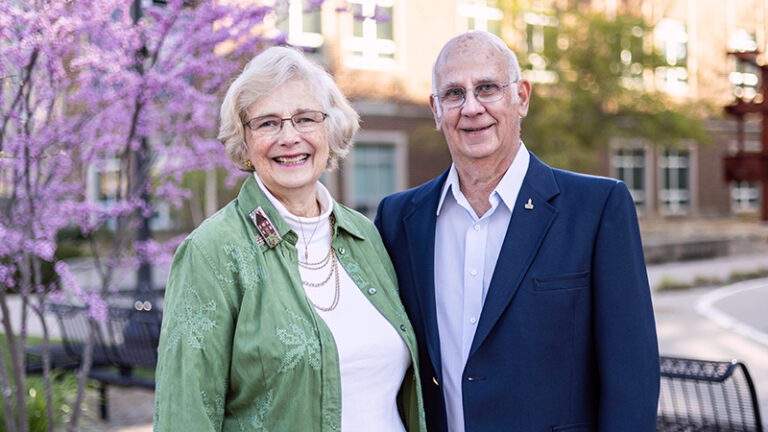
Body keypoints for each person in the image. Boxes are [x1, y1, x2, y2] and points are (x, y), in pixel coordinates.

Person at [375, 31, 659, 431]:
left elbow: (633, 376)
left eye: (487, 88)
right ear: (436, 111)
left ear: (522, 97)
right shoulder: (399, 218)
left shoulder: (597, 208)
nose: (471, 108)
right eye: (454, 94)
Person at [154, 46, 426, 432]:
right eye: (267, 123)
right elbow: (186, 414)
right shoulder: (212, 253)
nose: (289, 137)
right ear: (245, 142)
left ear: (329, 130)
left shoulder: (364, 236)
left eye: (305, 119)